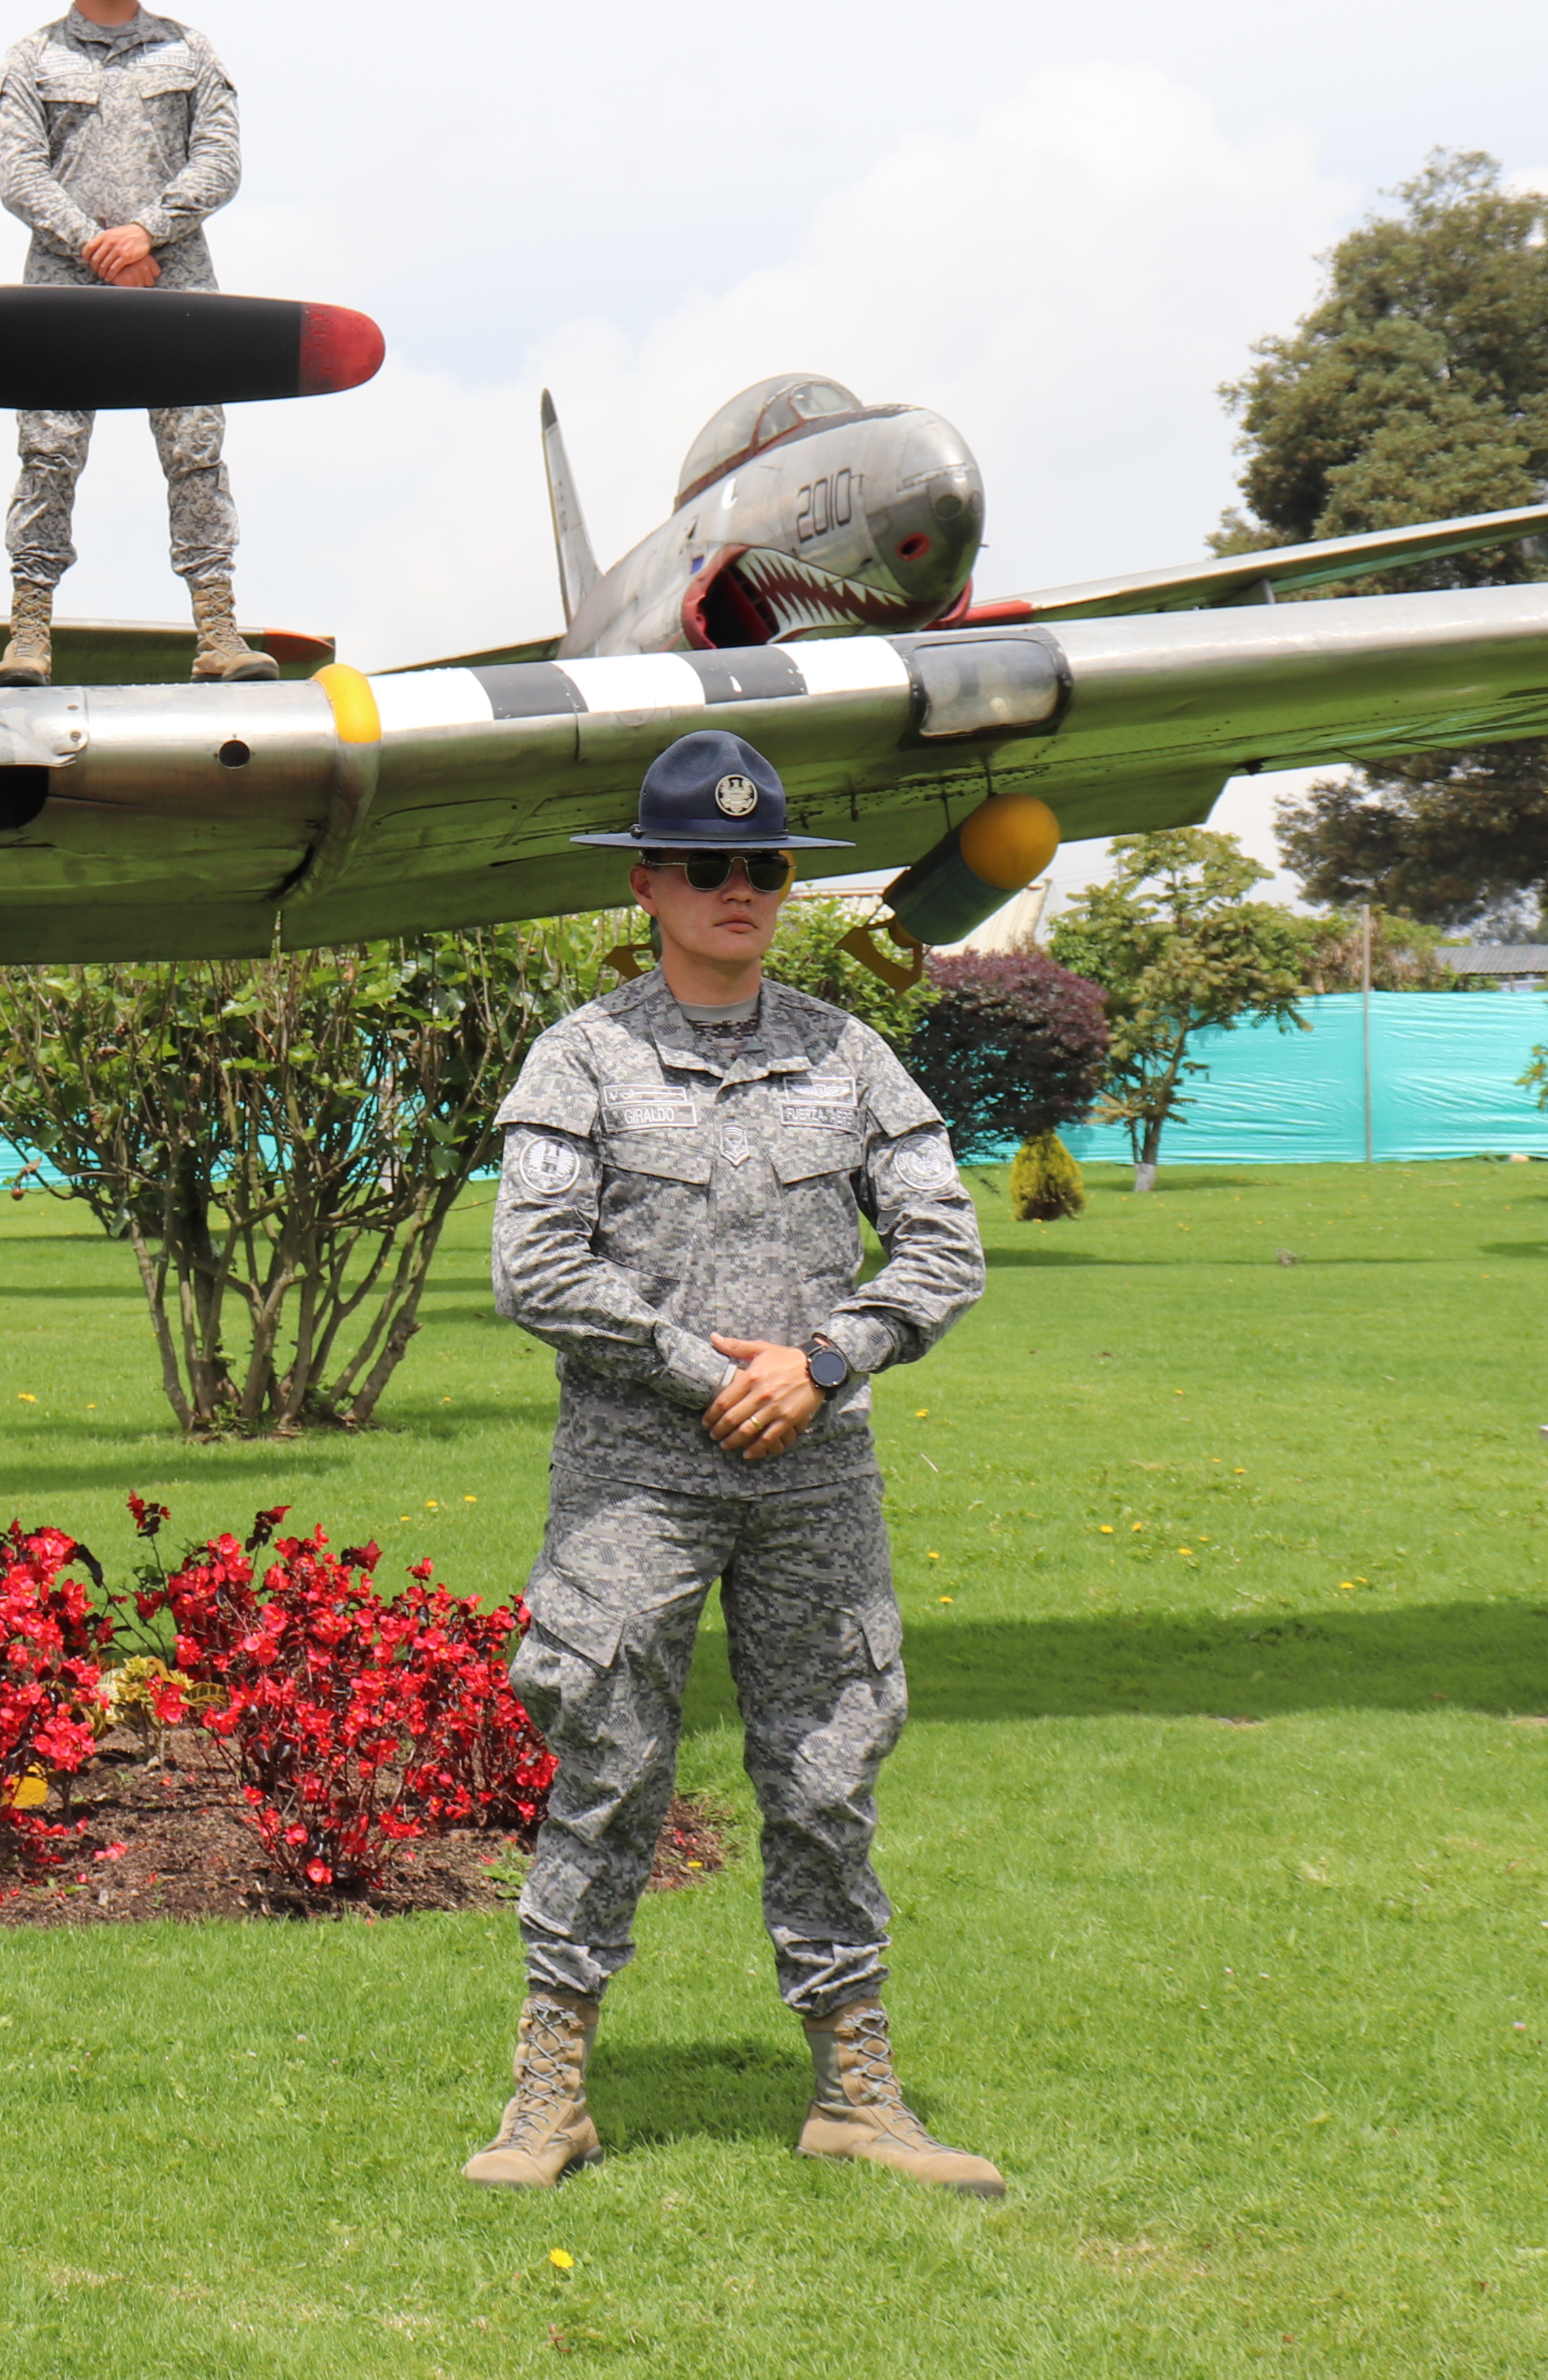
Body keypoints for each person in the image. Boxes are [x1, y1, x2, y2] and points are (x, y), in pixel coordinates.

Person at [468, 731, 1002, 2199]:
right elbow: (538, 1265)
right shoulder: (584, 1053)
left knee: (831, 1767)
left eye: (762, 864)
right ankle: (551, 2091)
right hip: (641, 1473)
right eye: (707, 864)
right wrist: (724, 1373)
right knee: (607, 1761)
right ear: (648, 882)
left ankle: (856, 2085)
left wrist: (826, 1361)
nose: (739, 887)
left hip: (817, 1471)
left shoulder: (850, 1050)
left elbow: (947, 1242)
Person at [0, 0, 268, 690]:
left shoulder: (191, 52)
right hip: (64, 287)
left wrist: (149, 230)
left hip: (172, 286)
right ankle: (29, 632)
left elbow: (220, 160)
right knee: (48, 449)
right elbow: (18, 172)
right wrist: (97, 244)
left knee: (197, 452)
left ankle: (217, 630)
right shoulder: (32, 60)